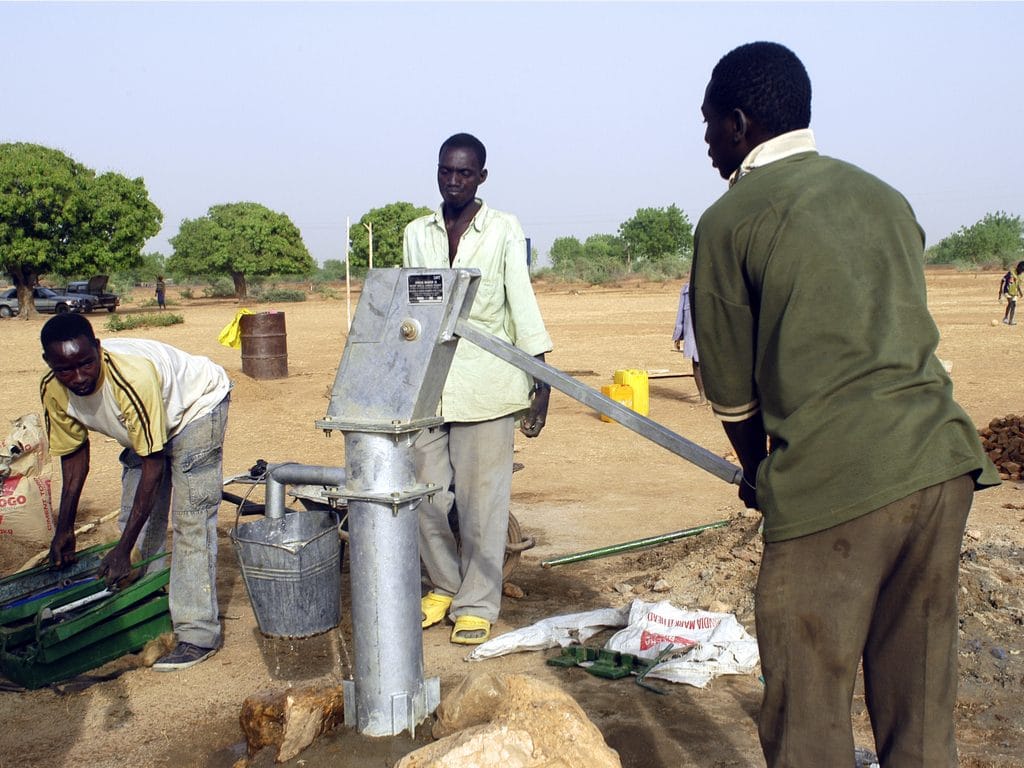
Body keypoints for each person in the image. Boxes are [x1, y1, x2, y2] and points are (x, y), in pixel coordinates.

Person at [690, 42, 999, 767]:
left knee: (808, 715)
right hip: (940, 464)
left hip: (837, 484)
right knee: (919, 704)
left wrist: (758, 472)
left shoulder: (730, 220)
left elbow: (732, 392)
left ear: (738, 124)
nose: (704, 141)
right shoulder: (883, 196)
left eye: (707, 125)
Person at [403, 132, 553, 645]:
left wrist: (543, 384)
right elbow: (410, 313)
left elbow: (522, 307)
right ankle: (444, 584)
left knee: (481, 501)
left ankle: (477, 601)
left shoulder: (503, 230)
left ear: (481, 177)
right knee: (423, 494)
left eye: (464, 173)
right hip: (427, 386)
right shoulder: (416, 232)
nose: (453, 180)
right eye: (446, 171)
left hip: (487, 385)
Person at [40, 313, 231, 671]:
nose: (79, 377)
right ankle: (150, 607)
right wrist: (63, 529)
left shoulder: (130, 378)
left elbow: (154, 465)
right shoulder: (53, 390)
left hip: (194, 409)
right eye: (66, 369)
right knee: (134, 523)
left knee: (190, 520)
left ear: (98, 349)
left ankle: (197, 633)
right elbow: (74, 457)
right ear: (49, 364)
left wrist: (123, 549)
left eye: (86, 363)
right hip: (144, 430)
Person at [672, 281, 706, 403]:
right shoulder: (686, 289)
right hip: (692, 332)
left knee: (711, 364)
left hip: (710, 333)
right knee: (697, 363)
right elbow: (680, 315)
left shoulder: (715, 286)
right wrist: (678, 335)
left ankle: (713, 397)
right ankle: (703, 397)